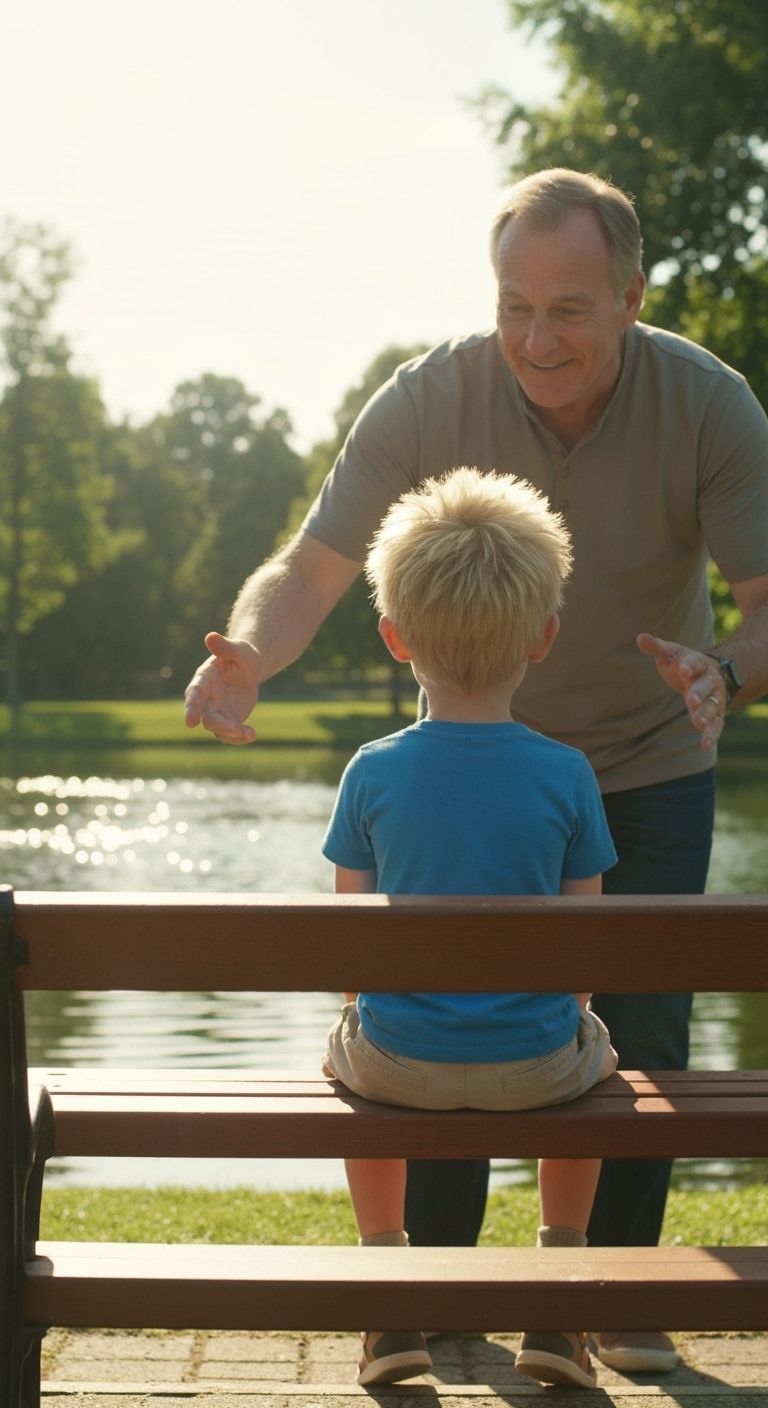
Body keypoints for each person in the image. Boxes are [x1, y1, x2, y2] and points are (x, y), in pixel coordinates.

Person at [184, 167, 768, 1374]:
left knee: (645, 1032)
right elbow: (313, 563)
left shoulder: (708, 403)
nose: (535, 339)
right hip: (467, 768)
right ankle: (444, 1293)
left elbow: (767, 601)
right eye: (514, 307)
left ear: (631, 298)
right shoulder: (428, 395)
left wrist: (726, 672)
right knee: (443, 997)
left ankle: (605, 1293)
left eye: (567, 308)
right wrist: (247, 651)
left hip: (647, 759)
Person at [321, 466, 618, 1389]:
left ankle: (391, 1301)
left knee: (348, 1054)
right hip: (535, 1068)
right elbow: (586, 951)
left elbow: (349, 946)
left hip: (399, 1064)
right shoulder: (567, 774)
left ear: (394, 635)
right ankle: (557, 1308)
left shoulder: (371, 772)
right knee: (596, 1055)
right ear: (545, 636)